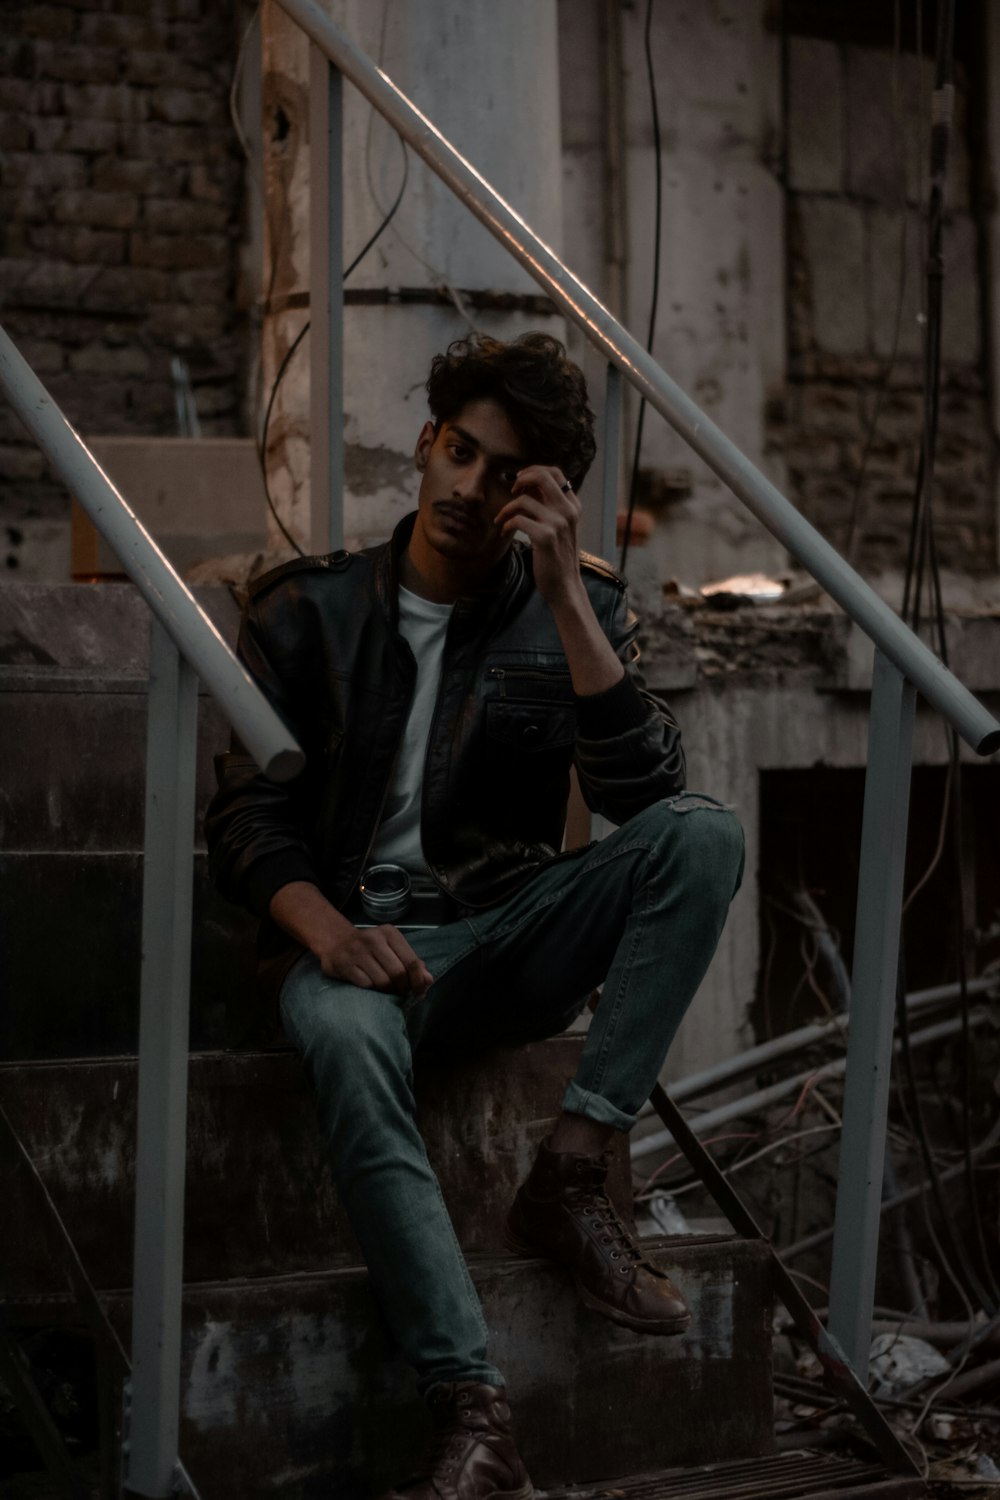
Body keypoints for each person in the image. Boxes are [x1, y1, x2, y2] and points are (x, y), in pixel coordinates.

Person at [205, 332, 744, 1500]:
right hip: (357, 950)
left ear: (539, 498)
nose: (468, 487)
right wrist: (327, 935)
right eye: (459, 452)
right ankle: (475, 1408)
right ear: (424, 445)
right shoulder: (306, 613)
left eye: (505, 474)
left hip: (503, 935)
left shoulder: (575, 609)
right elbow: (248, 822)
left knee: (706, 835)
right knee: (344, 1036)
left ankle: (571, 1167)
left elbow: (645, 805)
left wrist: (561, 595)